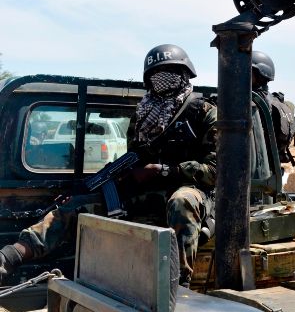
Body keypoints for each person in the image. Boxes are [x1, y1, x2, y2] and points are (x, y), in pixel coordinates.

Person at [0, 44, 217, 288]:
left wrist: (166, 170)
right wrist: (113, 180)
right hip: (149, 192)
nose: (163, 80)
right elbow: (134, 158)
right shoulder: (145, 114)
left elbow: (217, 172)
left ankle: (179, 286)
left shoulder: (204, 113)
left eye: (171, 72)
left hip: (193, 192)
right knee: (75, 206)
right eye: (157, 75)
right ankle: (10, 257)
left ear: (185, 74)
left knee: (182, 200)